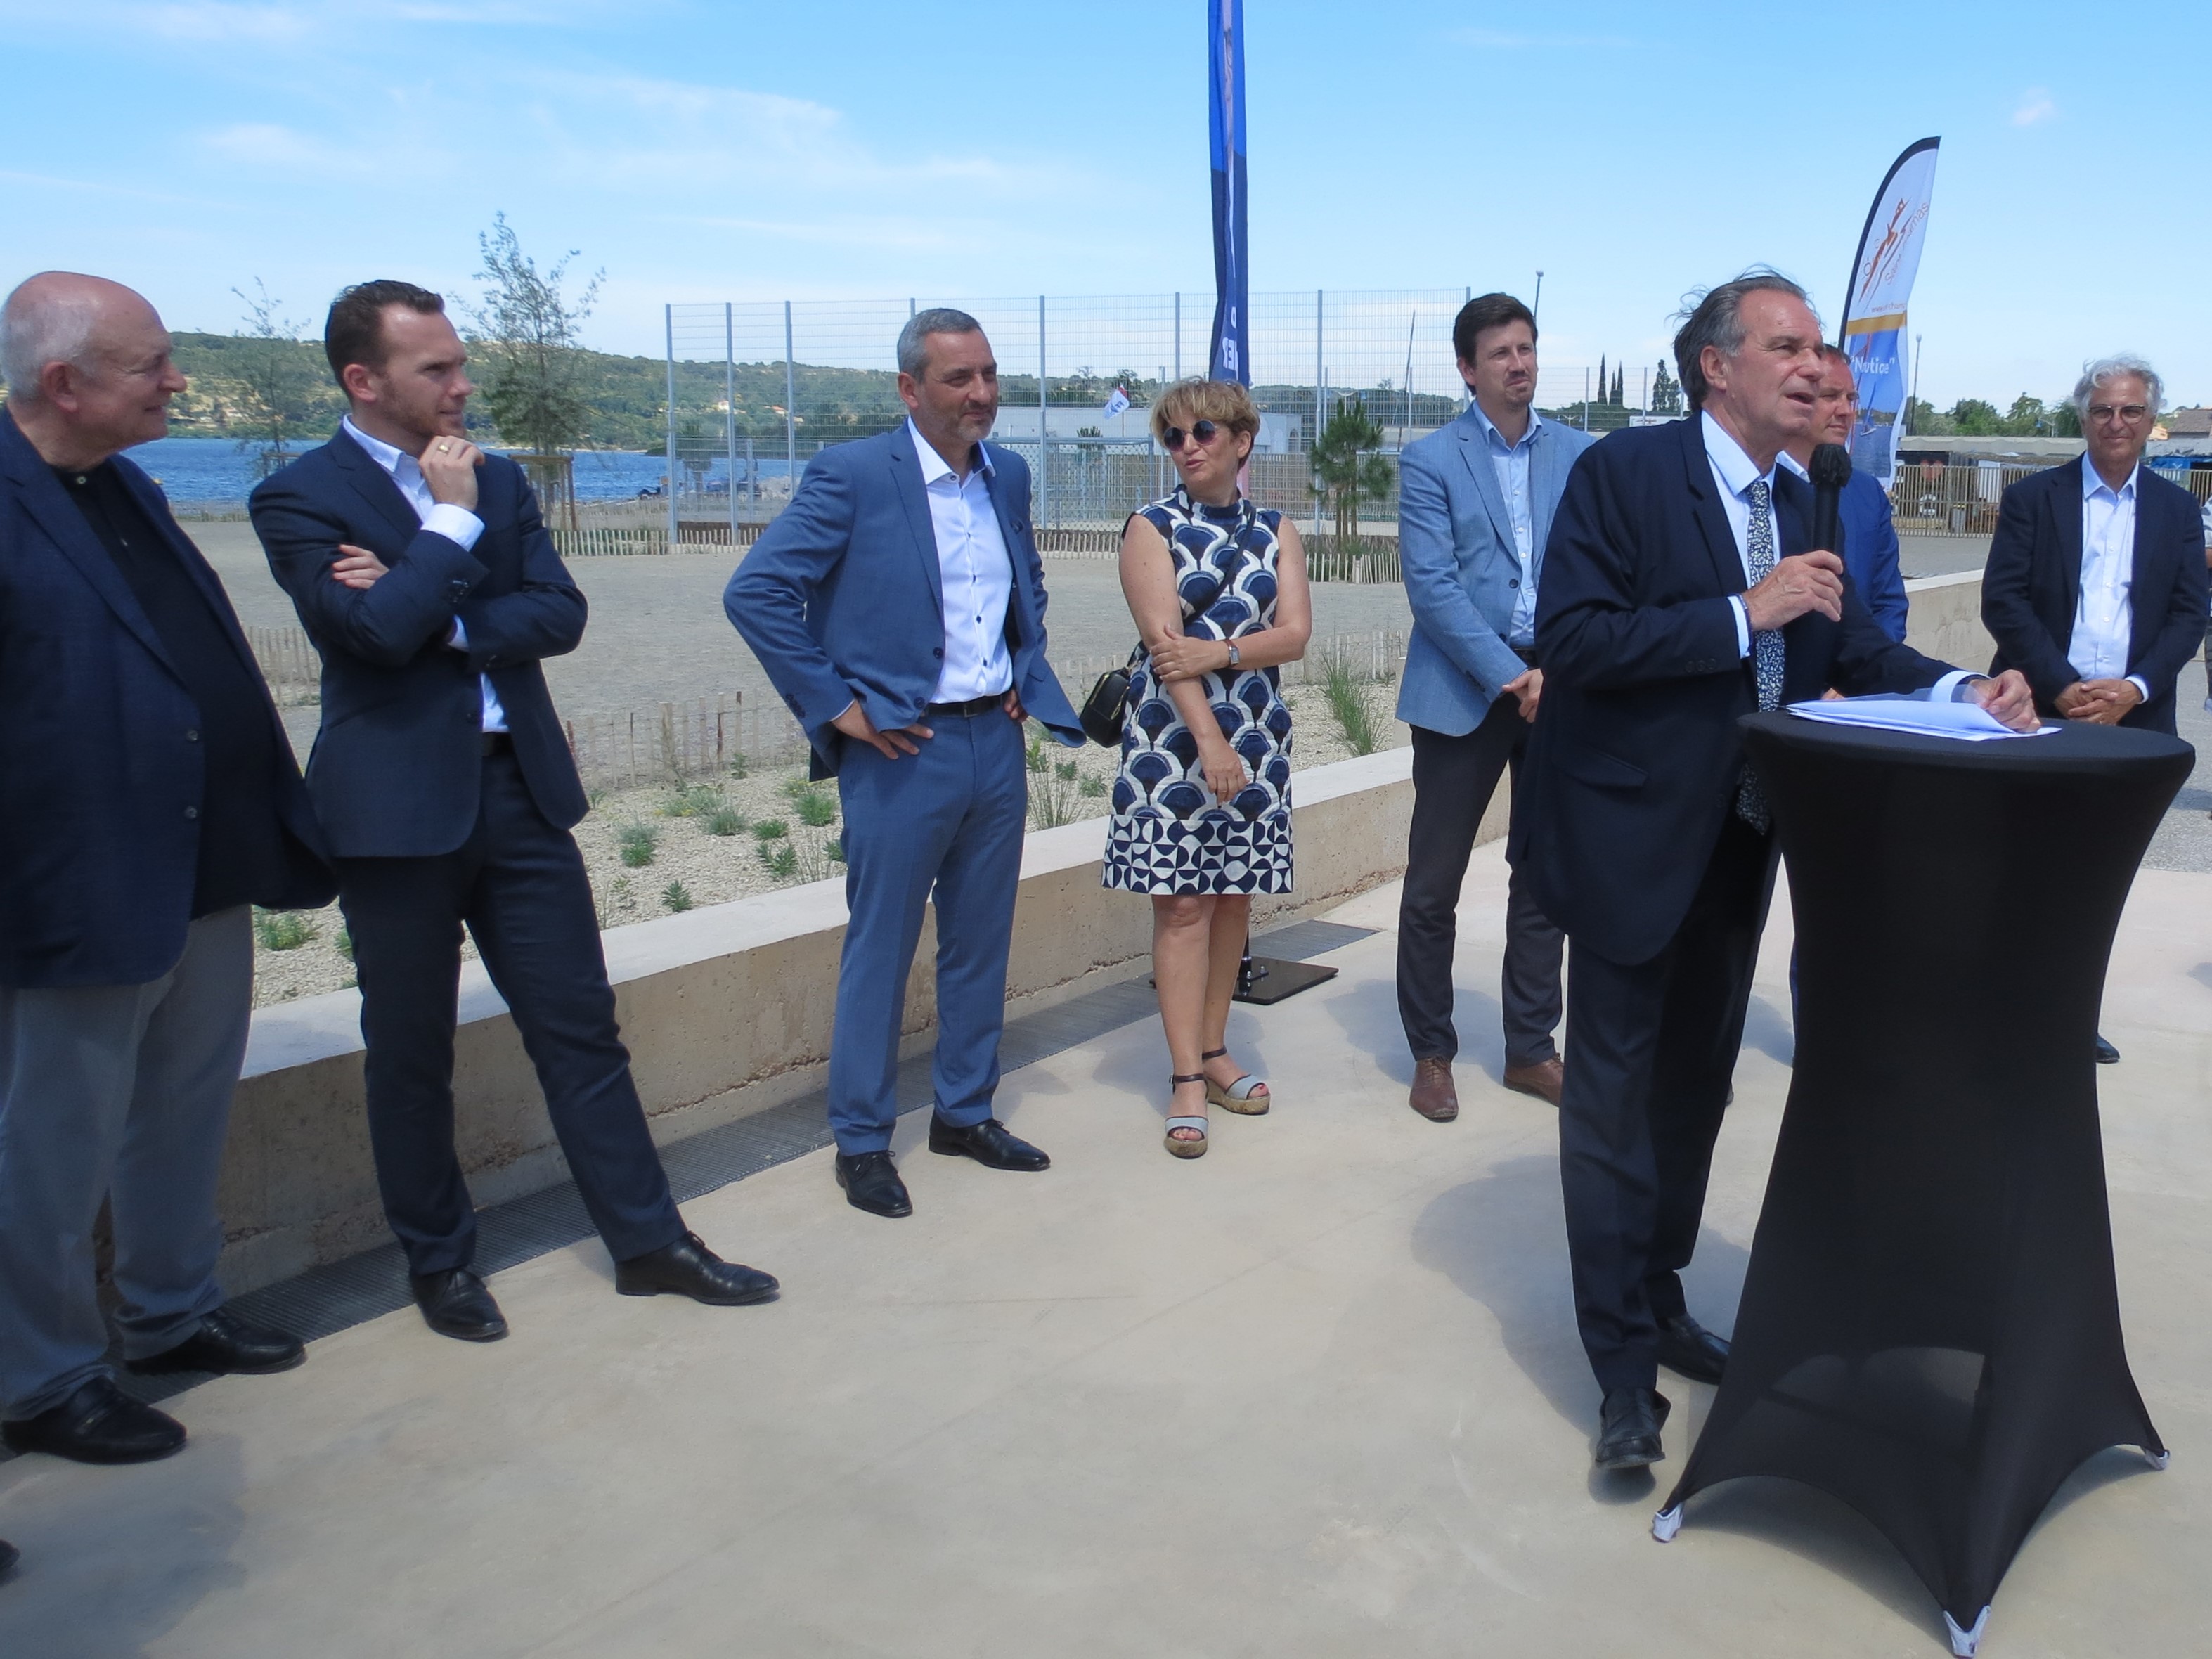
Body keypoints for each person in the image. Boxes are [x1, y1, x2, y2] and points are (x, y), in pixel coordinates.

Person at [1518, 271, 2035, 1473]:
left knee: (1693, 1095)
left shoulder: (1803, 495)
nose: (1812, 367)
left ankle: (1657, 1300)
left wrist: (1966, 686)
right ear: (1717, 365)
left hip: (1741, 844)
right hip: (1629, 846)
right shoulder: (1624, 474)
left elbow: (1840, 642)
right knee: (1609, 1112)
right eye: (1787, 346)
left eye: (1817, 349)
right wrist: (1736, 612)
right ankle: (1615, 1377)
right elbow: (1578, 641)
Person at [252, 280, 775, 1341]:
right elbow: (367, 639)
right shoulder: (298, 497)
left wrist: (418, 589)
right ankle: (440, 1266)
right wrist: (445, 532)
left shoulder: (498, 476)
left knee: (581, 1031)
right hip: (391, 812)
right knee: (409, 1049)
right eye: (434, 369)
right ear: (364, 380)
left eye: (457, 362)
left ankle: (648, 1243)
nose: (461, 384)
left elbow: (558, 614)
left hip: (519, 791)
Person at [0, 273, 328, 1465]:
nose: (176, 380)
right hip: (72, 890)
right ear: (63, 383)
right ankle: (40, 1381)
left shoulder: (125, 484)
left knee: (183, 1108)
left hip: (202, 858)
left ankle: (170, 1314)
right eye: (150, 365)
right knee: (48, 1146)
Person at [726, 309, 1085, 1216]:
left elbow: (1022, 578)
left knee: (979, 942)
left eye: (989, 375)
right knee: (879, 951)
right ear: (909, 388)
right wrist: (836, 707)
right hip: (899, 749)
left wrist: (1021, 662)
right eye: (959, 379)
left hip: (992, 744)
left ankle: (963, 1113)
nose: (981, 395)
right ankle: (860, 1141)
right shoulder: (852, 475)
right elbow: (758, 592)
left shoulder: (1007, 474)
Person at [1392, 294, 1591, 1122]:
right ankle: (1432, 1053)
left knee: (1543, 880)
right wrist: (1512, 674)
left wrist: (1564, 667)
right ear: (1468, 369)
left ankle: (1530, 1049)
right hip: (1465, 691)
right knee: (1435, 883)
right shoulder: (1431, 459)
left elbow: (1597, 568)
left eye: (1528, 348)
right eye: (1501, 352)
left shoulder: (1582, 454)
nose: (1520, 363)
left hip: (1561, 690)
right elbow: (1433, 590)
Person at [1980, 354, 2207, 1066]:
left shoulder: (2177, 509)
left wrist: (2134, 688)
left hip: (2133, 723)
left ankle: (2068, 1016)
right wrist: (2066, 684)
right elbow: (2004, 600)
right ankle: (1995, 1008)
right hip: (2039, 711)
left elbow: (2189, 611)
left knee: (2096, 876)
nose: (2117, 422)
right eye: (2104, 409)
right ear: (2084, 416)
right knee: (2018, 866)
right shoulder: (2032, 498)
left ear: (2151, 424)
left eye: (2132, 410)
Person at [1104, 379, 1312, 1156]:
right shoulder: (1150, 529)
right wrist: (1210, 740)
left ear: (1241, 440)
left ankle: (1219, 1048)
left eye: (1204, 432)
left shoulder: (1277, 529)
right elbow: (1166, 654)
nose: (1188, 446)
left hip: (1259, 738)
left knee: (1233, 902)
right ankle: (1186, 1074)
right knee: (1183, 906)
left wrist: (1221, 650)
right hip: (1173, 744)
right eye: (1174, 436)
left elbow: (1294, 634)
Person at [1780, 345, 1908, 645]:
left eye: (1851, 398)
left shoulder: (1866, 493)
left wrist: (1856, 679)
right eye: (1830, 396)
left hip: (1855, 683)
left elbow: (1889, 603)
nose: (1846, 411)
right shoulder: (1759, 483)